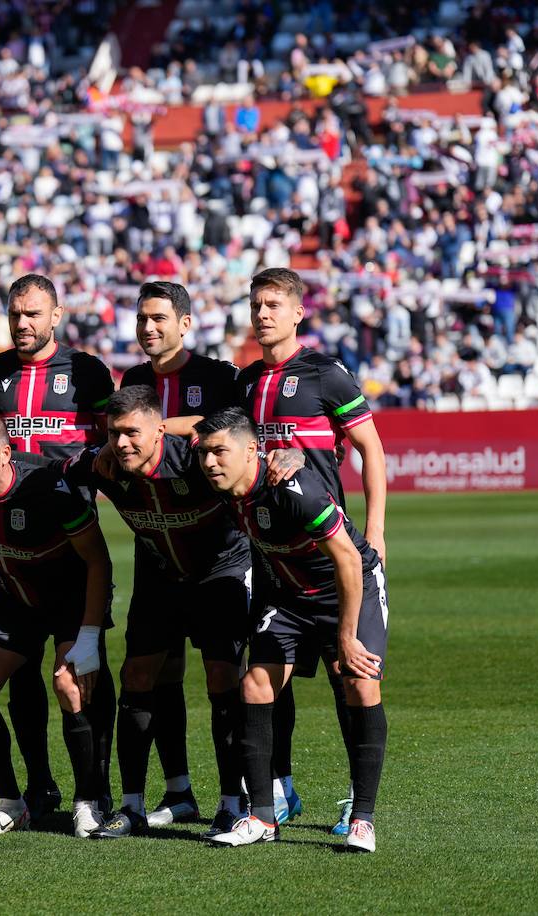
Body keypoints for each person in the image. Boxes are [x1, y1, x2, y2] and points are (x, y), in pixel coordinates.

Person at [53, 386, 294, 839]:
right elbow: (47, 470)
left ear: (158, 428)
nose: (122, 443)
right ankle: (132, 807)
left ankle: (230, 803)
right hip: (160, 577)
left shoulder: (196, 457)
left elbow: (247, 447)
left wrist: (293, 457)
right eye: (114, 434)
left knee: (223, 679)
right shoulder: (104, 464)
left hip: (221, 573)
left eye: (131, 433)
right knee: (136, 677)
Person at [236, 267, 388, 834]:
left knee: (348, 674)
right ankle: (278, 791)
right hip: (274, 560)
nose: (263, 313)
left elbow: (372, 450)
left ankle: (357, 800)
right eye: (256, 304)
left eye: (274, 303)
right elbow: (214, 433)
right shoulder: (247, 384)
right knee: (270, 675)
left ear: (299, 313)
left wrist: (375, 533)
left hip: (331, 550)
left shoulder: (326, 375)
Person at [0, 272, 115, 821]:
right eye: (15, 314)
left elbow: (112, 440)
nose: (22, 324)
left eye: (33, 314)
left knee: (74, 678)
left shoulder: (88, 371)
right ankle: (34, 790)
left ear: (57, 315)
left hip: (68, 544)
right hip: (10, 554)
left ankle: (92, 795)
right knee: (15, 680)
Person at [197, 408, 389, 853]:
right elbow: (166, 431)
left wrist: (345, 636)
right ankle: (262, 817)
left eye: (219, 451)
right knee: (256, 685)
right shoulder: (227, 484)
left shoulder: (293, 490)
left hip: (348, 586)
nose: (210, 462)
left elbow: (347, 560)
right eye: (205, 453)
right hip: (290, 596)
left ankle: (362, 818)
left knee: (360, 684)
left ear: (251, 451)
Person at [0, 411, 112, 838]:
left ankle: (89, 802)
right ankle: (12, 803)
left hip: (70, 601)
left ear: (5, 455)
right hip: (15, 601)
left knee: (69, 687)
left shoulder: (49, 491)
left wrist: (88, 636)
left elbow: (97, 560)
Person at [114, 280, 242, 827]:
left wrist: (158, 428)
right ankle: (162, 796)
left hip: (217, 554)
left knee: (223, 679)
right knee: (146, 675)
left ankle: (234, 801)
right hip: (157, 556)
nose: (149, 328)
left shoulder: (215, 377)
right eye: (143, 319)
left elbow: (231, 434)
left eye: (160, 318)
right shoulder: (134, 380)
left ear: (185, 323)